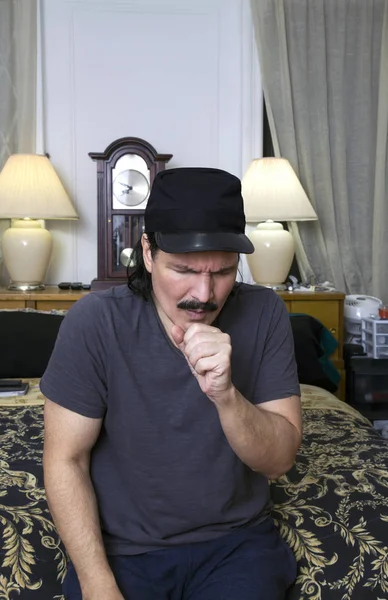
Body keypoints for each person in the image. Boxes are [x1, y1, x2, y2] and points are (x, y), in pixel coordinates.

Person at [42, 167, 302, 600]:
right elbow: (65, 461)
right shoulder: (95, 322)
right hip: (124, 550)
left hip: (235, 545)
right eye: (183, 269)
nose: (204, 294)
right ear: (148, 252)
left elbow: (278, 462)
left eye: (222, 272)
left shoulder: (265, 313)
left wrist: (226, 395)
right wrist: (98, 584)